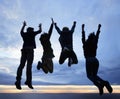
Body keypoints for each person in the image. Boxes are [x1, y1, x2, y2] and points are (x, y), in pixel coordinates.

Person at [81, 24, 113, 95]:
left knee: (89, 76)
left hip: (89, 60)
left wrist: (82, 29)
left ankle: (100, 85)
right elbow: (97, 37)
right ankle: (105, 83)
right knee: (94, 75)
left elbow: (83, 38)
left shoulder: (85, 43)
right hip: (95, 60)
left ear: (88, 38)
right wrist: (98, 29)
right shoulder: (94, 43)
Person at [15, 21, 42, 90]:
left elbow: (21, 32)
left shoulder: (24, 34)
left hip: (24, 50)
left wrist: (24, 25)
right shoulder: (32, 33)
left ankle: (18, 80)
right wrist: (40, 26)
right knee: (29, 66)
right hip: (30, 50)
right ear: (31, 30)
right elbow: (40, 31)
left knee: (21, 65)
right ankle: (28, 81)